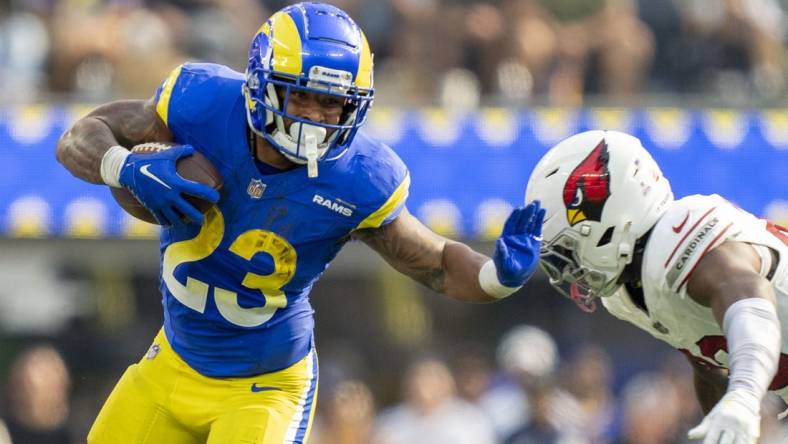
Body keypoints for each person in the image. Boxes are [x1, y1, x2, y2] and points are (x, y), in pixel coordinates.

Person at [55, 2, 545, 443]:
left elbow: (434, 262)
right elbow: (82, 135)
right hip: (172, 362)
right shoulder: (200, 102)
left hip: (263, 388)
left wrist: (494, 278)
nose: (315, 117)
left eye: (331, 103)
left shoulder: (359, 177)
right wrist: (124, 166)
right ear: (261, 83)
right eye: (301, 97)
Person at [525, 129, 788, 444]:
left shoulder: (681, 239)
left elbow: (751, 300)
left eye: (570, 249)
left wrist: (744, 394)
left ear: (611, 219)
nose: (571, 269)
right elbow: (708, 360)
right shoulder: (629, 293)